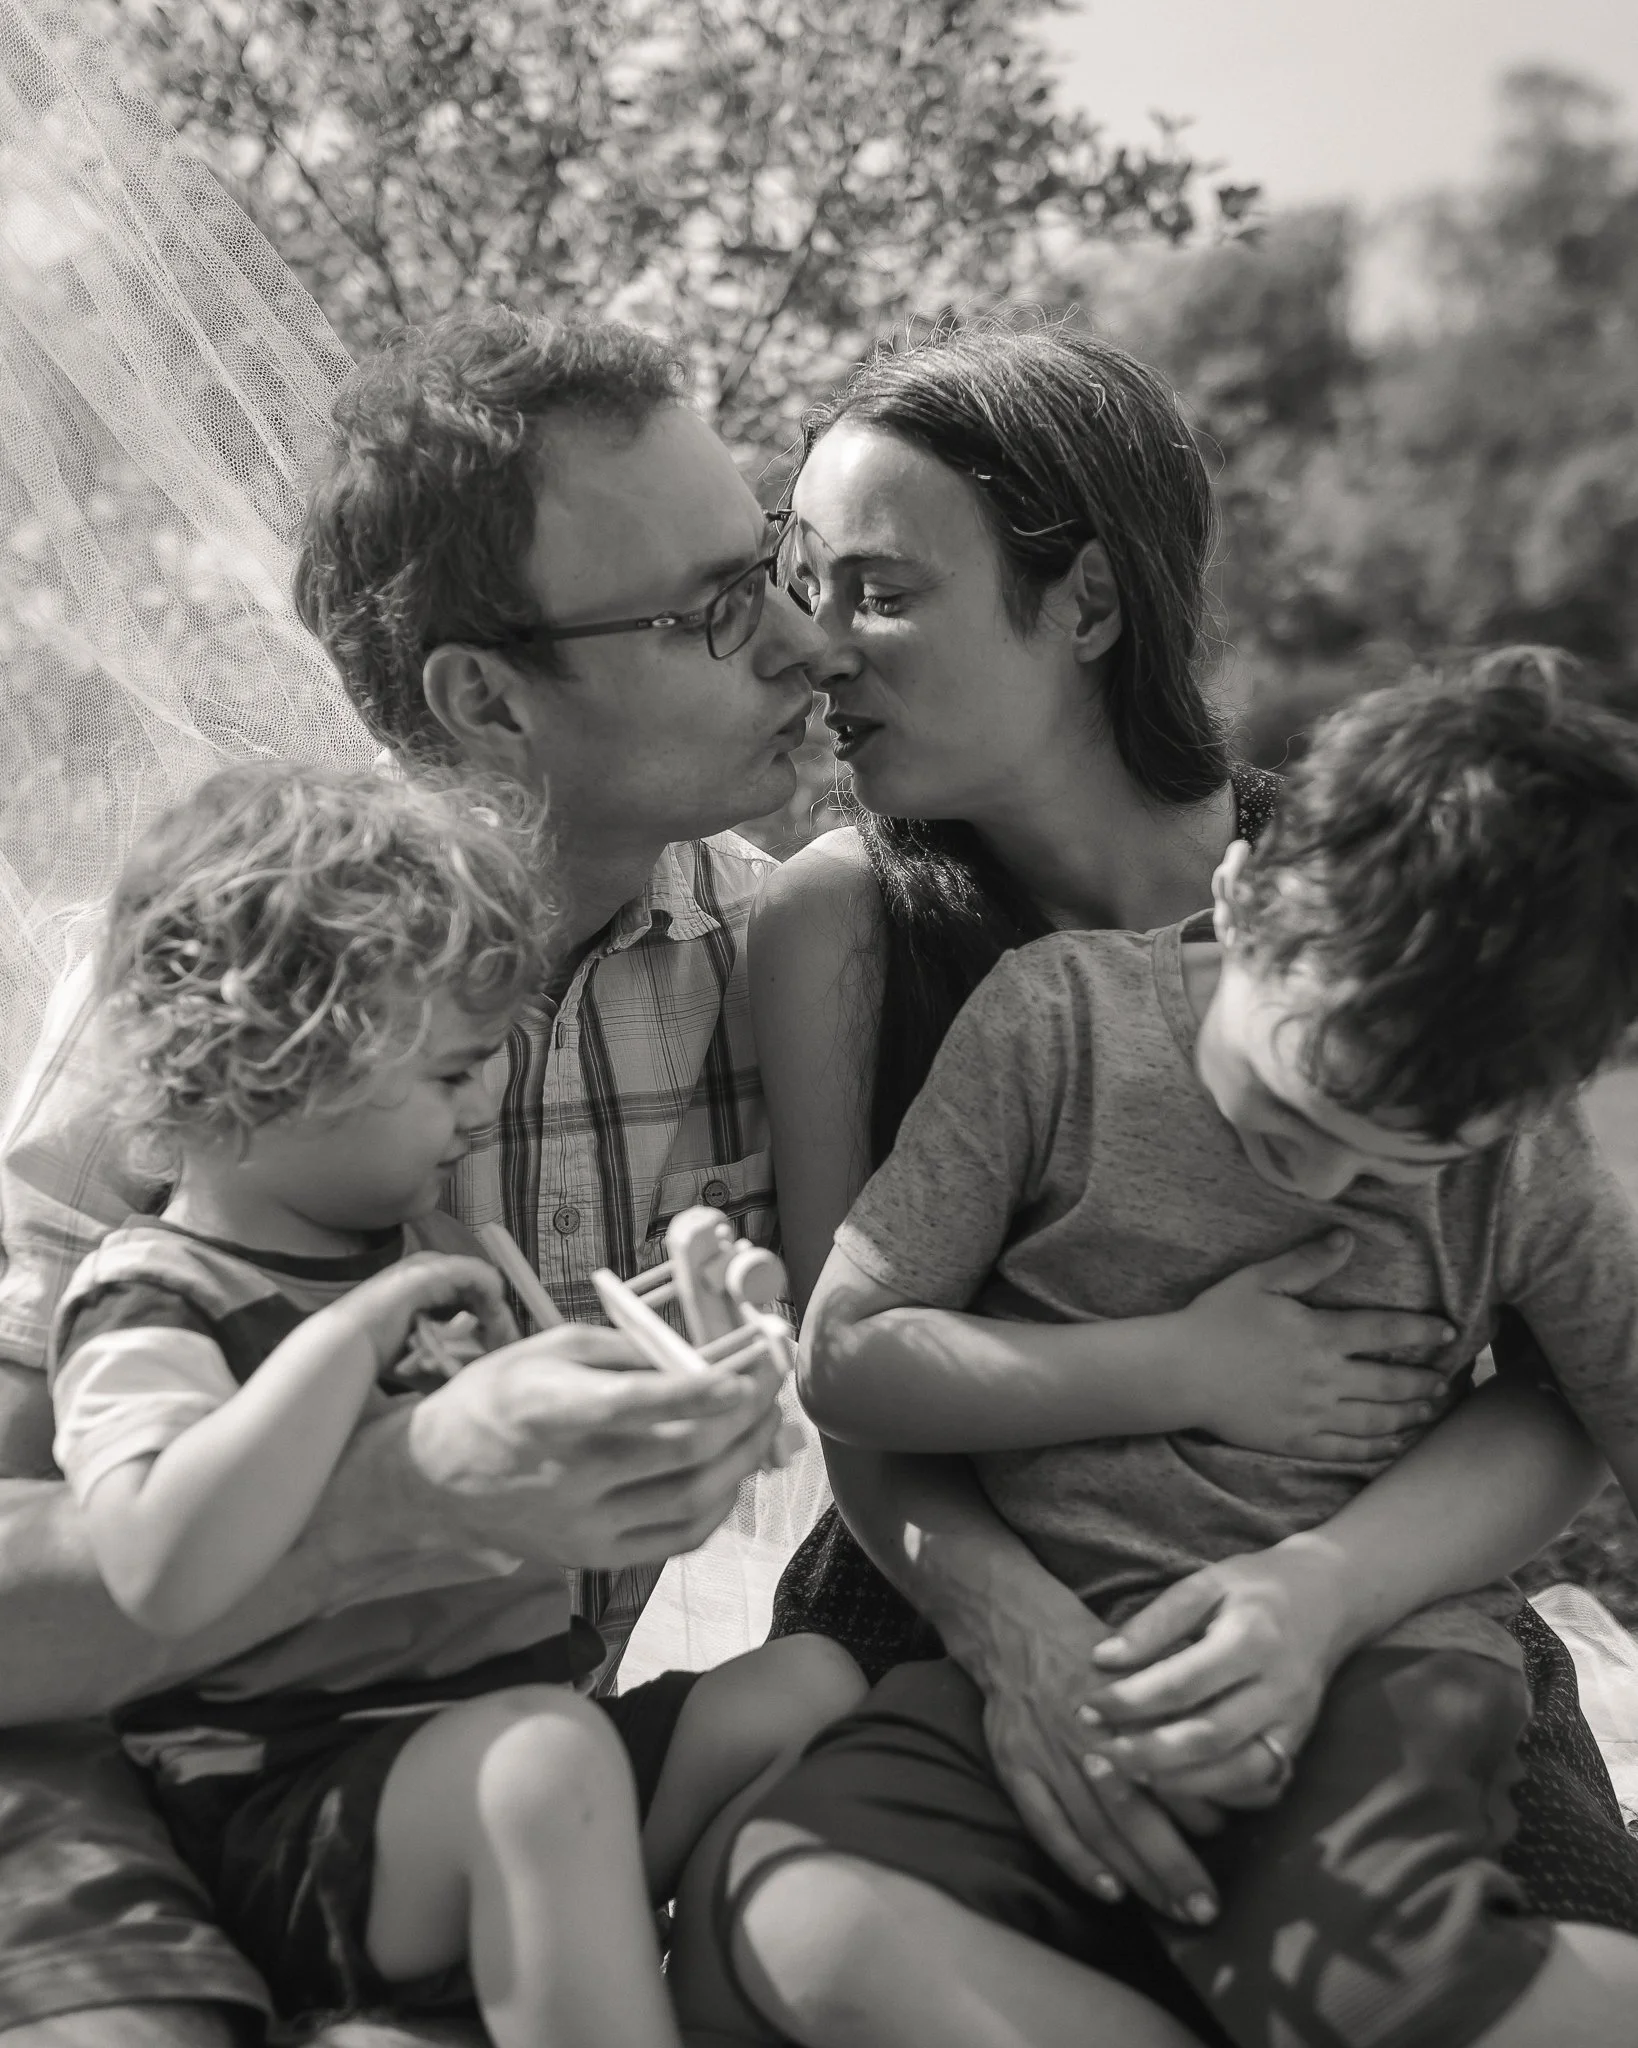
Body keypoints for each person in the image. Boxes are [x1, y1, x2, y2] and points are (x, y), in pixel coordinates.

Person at [668, 323, 1638, 2034]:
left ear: (1089, 604)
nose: (816, 644)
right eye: (805, 582)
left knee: (1428, 1962)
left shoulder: (1383, 912)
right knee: (776, 1935)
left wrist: (1320, 1590)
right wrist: (1024, 1640)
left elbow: (1563, 1376)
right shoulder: (840, 922)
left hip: (1371, 1595)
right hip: (952, 1583)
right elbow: (857, 1388)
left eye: (880, 592)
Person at [0, 306, 829, 2048]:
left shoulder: (786, 954)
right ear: (480, 698)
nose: (800, 642)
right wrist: (405, 1496)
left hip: (502, 1791)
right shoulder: (230, 988)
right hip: (145, 1794)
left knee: (821, 1711)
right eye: (709, 610)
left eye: (779, 569)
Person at [45, 762, 859, 2045]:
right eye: (448, 1076)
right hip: (290, 1819)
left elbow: (540, 1547)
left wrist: (686, 1408)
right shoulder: (154, 1295)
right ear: (275, 1059)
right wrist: (357, 1337)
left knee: (806, 1686)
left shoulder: (425, 1253)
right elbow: (154, 1561)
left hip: (498, 1751)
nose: (482, 1107)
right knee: (546, 1766)